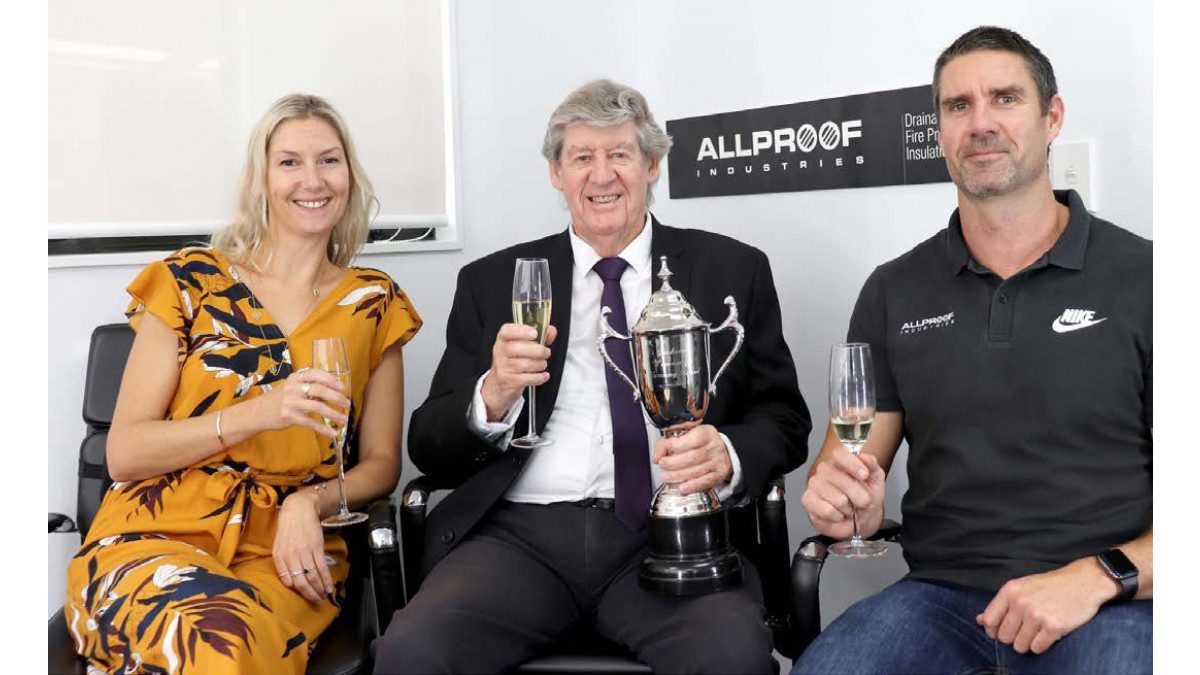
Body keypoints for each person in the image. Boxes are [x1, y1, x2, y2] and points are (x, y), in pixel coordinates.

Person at [374, 79, 811, 674]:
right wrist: (493, 394)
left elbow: (784, 419)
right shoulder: (492, 281)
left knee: (733, 654)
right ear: (557, 173)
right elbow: (428, 445)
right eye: (582, 157)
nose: (601, 176)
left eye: (620, 155)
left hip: (669, 539)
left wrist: (729, 454)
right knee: (409, 653)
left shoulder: (731, 269)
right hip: (516, 541)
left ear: (652, 164)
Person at [793, 26, 1152, 674]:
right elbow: (847, 465)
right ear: (938, 132)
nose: (980, 122)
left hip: (1103, 597)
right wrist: (848, 504)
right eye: (958, 106)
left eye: (1005, 99)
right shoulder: (894, 289)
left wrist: (1101, 577)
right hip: (941, 597)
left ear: (1052, 118)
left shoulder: (1149, 277)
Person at [64, 93, 422, 674]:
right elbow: (124, 454)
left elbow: (383, 463)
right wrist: (261, 412)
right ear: (261, 180)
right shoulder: (188, 283)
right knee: (199, 640)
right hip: (156, 532)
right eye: (290, 162)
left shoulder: (374, 302)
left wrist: (311, 500)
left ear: (350, 176)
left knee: (231, 641)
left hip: (292, 548)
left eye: (329, 160)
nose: (313, 179)